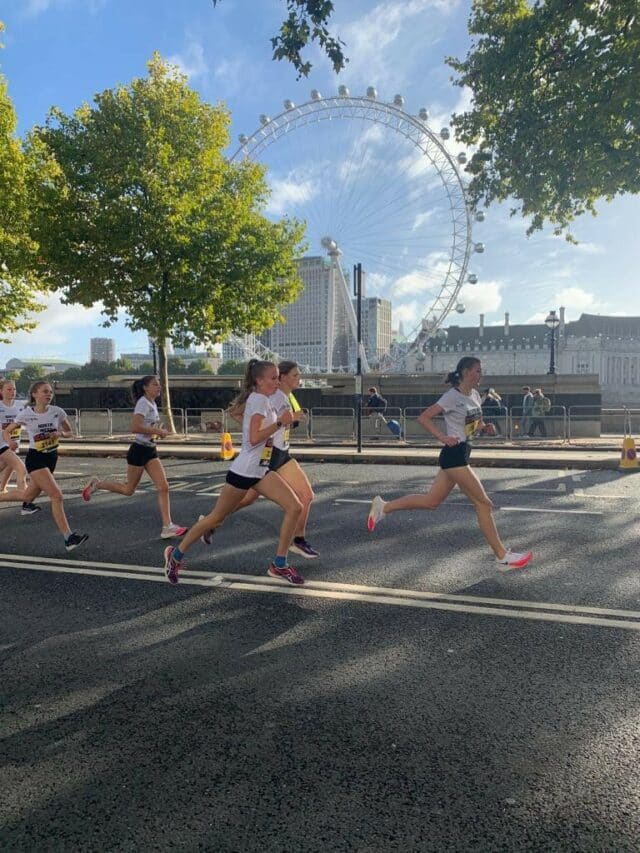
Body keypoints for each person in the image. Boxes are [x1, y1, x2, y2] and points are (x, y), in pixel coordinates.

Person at [366, 356, 533, 570]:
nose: (480, 375)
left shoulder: (473, 395)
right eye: (477, 371)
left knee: (431, 502)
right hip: (453, 455)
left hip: (462, 453)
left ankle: (384, 507)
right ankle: (502, 556)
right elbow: (423, 418)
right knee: (483, 503)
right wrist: (443, 438)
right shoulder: (451, 396)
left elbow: (472, 421)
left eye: (481, 371)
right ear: (465, 372)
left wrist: (484, 427)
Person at [163, 359, 305, 585]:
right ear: (259, 381)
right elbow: (254, 438)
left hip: (260, 470)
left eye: (278, 377)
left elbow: (252, 428)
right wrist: (279, 423)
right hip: (244, 471)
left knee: (295, 506)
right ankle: (176, 555)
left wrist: (281, 422)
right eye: (273, 378)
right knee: (216, 516)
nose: (277, 381)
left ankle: (280, 564)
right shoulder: (258, 401)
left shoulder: (265, 399)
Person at [211, 360, 318, 558]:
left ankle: (298, 540)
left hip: (283, 454)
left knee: (304, 495)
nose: (299, 379)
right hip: (271, 456)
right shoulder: (273, 397)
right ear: (282, 377)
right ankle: (212, 521)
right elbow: (239, 413)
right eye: (294, 375)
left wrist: (290, 420)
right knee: (251, 499)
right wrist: (260, 432)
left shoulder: (286, 396)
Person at [81, 375, 187, 539]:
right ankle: (98, 484)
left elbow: (147, 426)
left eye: (159, 384)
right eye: (155, 384)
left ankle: (168, 526)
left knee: (163, 487)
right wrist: (157, 431)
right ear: (145, 387)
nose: (159, 387)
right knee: (129, 490)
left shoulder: (152, 403)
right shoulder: (143, 403)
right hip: (138, 450)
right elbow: (135, 427)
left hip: (150, 450)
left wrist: (157, 431)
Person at [2, 381, 88, 551]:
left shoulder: (57, 412)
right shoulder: (26, 414)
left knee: (27, 495)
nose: (49, 394)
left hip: (51, 458)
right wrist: (10, 441)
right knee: (57, 496)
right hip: (36, 459)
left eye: (50, 392)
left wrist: (60, 433)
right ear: (35, 394)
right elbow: (6, 430)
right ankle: (69, 538)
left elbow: (70, 433)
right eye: (44, 392)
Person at [0, 379, 36, 512]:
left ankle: (2, 488)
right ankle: (26, 503)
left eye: (14, 389)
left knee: (8, 465)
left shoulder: (20, 405)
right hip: (2, 443)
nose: (12, 392)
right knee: (21, 468)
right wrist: (8, 441)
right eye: (9, 389)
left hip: (14, 442)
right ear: (1, 391)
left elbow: (28, 420)